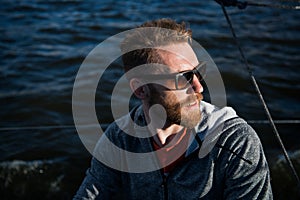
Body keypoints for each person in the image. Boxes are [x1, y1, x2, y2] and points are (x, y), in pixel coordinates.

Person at [74, 18, 273, 199]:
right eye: (182, 77)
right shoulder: (118, 140)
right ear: (141, 90)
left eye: (197, 72)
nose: (198, 87)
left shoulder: (235, 141)